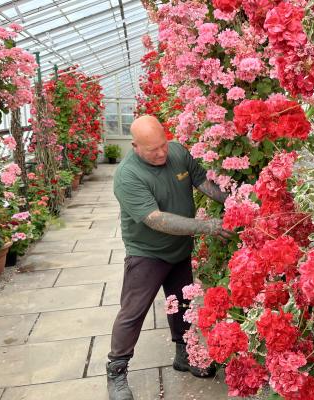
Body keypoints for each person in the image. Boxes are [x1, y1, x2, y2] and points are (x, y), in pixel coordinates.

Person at [106, 115, 232, 400]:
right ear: (135, 146)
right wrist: (208, 226)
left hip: (179, 250)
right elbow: (155, 220)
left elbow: (202, 181)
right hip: (147, 253)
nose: (162, 153)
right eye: (153, 150)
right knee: (133, 312)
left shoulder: (176, 152)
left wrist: (233, 202)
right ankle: (116, 371)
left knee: (181, 303)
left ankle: (184, 354)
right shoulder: (128, 176)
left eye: (163, 144)